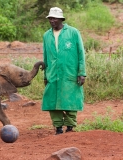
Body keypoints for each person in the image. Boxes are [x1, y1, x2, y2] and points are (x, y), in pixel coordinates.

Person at [42, 7, 86, 135]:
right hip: (52, 74)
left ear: (61, 19)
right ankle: (58, 127)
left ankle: (70, 127)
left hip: (70, 73)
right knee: (52, 100)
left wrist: (82, 72)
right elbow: (46, 56)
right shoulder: (46, 35)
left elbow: (81, 53)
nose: (52, 20)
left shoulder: (73, 32)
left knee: (71, 99)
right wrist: (45, 75)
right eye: (50, 18)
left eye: (54, 18)